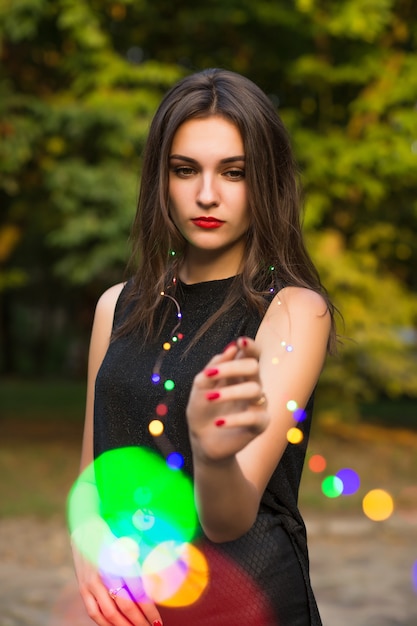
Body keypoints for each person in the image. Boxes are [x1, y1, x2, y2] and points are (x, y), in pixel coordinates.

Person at [71, 68, 336, 626]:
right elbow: (95, 476)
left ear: (264, 180)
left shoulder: (291, 310)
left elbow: (229, 518)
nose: (207, 194)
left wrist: (211, 450)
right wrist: (87, 550)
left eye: (234, 172)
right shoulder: (115, 306)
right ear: (160, 179)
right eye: (185, 170)